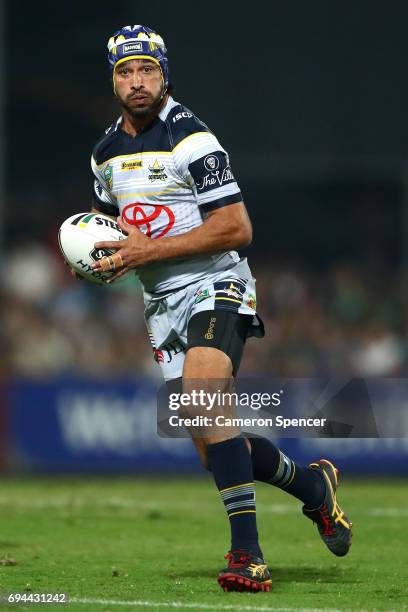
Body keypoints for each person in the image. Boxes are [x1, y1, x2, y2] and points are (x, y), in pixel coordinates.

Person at [85, 24, 352, 593]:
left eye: (147, 70)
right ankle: (312, 487)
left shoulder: (192, 138)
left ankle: (247, 556)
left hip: (216, 283)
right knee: (215, 453)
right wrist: (99, 258)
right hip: (161, 304)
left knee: (206, 400)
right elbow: (110, 232)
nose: (138, 81)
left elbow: (236, 227)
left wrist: (145, 250)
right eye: (126, 72)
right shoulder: (105, 153)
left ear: (164, 73)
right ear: (113, 81)